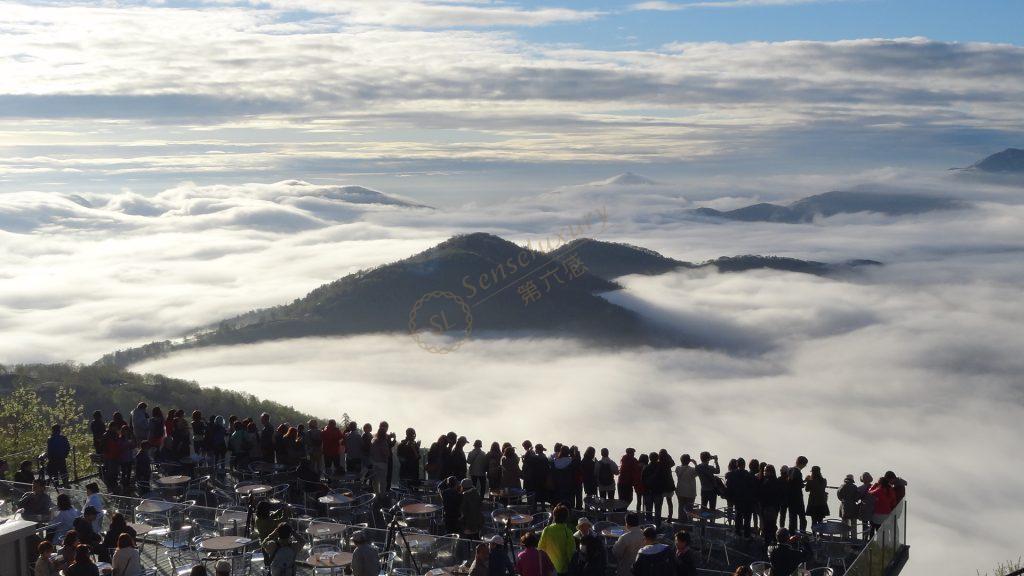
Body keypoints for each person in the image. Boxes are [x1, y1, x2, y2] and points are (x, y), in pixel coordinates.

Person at [538, 504, 575, 576]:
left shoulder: (547, 529)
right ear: (566, 517)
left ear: (554, 516)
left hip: (549, 569)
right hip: (563, 569)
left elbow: (540, 549)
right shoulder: (568, 532)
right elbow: (571, 553)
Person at [725, 457, 755, 539]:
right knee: (747, 519)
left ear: (737, 465)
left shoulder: (732, 474)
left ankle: (737, 533)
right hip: (748, 499)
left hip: (737, 499)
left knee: (738, 517)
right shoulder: (749, 475)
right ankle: (747, 534)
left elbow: (728, 486)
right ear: (745, 465)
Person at [787, 456, 808, 533]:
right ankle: (802, 534)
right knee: (802, 518)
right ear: (802, 464)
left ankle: (791, 534)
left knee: (792, 518)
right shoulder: (798, 472)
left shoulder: (789, 470)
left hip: (790, 498)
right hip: (798, 498)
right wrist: (805, 481)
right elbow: (799, 485)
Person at [460, 477, 483, 544]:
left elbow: (463, 511)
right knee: (476, 539)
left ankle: (469, 552)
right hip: (478, 522)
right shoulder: (476, 493)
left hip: (468, 524)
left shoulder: (464, 496)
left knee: (467, 541)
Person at [838, 474, 861, 539]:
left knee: (844, 523)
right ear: (852, 479)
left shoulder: (842, 486)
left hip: (844, 506)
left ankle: (844, 538)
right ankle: (854, 538)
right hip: (853, 507)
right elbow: (857, 498)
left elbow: (839, 496)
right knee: (853, 524)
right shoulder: (854, 487)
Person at [657, 450, 676, 521]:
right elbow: (673, 463)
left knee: (659, 503)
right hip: (669, 484)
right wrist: (668, 456)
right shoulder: (669, 463)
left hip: (661, 486)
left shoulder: (658, 463)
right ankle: (670, 517)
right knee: (669, 502)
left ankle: (658, 517)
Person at [858, 473, 876, 540]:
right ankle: (871, 540)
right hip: (873, 508)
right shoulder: (875, 487)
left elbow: (857, 498)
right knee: (872, 526)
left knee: (864, 525)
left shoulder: (860, 488)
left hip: (864, 509)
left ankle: (864, 539)